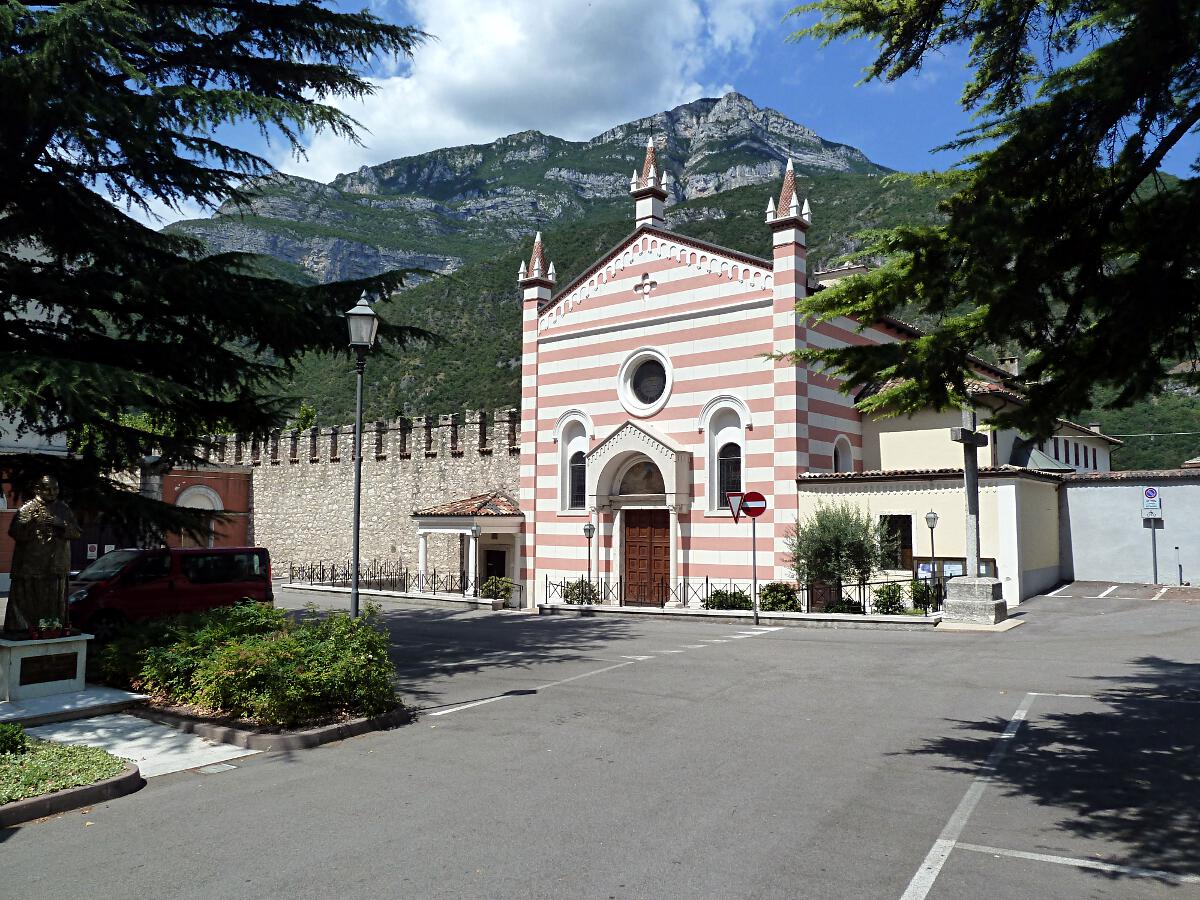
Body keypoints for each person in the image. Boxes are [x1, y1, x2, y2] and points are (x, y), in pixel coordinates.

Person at [3, 475, 81, 635]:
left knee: (53, 603)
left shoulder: (63, 509)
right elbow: (15, 532)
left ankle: (53, 627)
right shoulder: (28, 508)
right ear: (38, 490)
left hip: (56, 565)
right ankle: (27, 628)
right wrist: (31, 522)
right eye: (48, 489)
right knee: (29, 602)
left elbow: (77, 533)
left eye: (55, 489)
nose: (52, 492)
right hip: (31, 566)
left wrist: (61, 524)